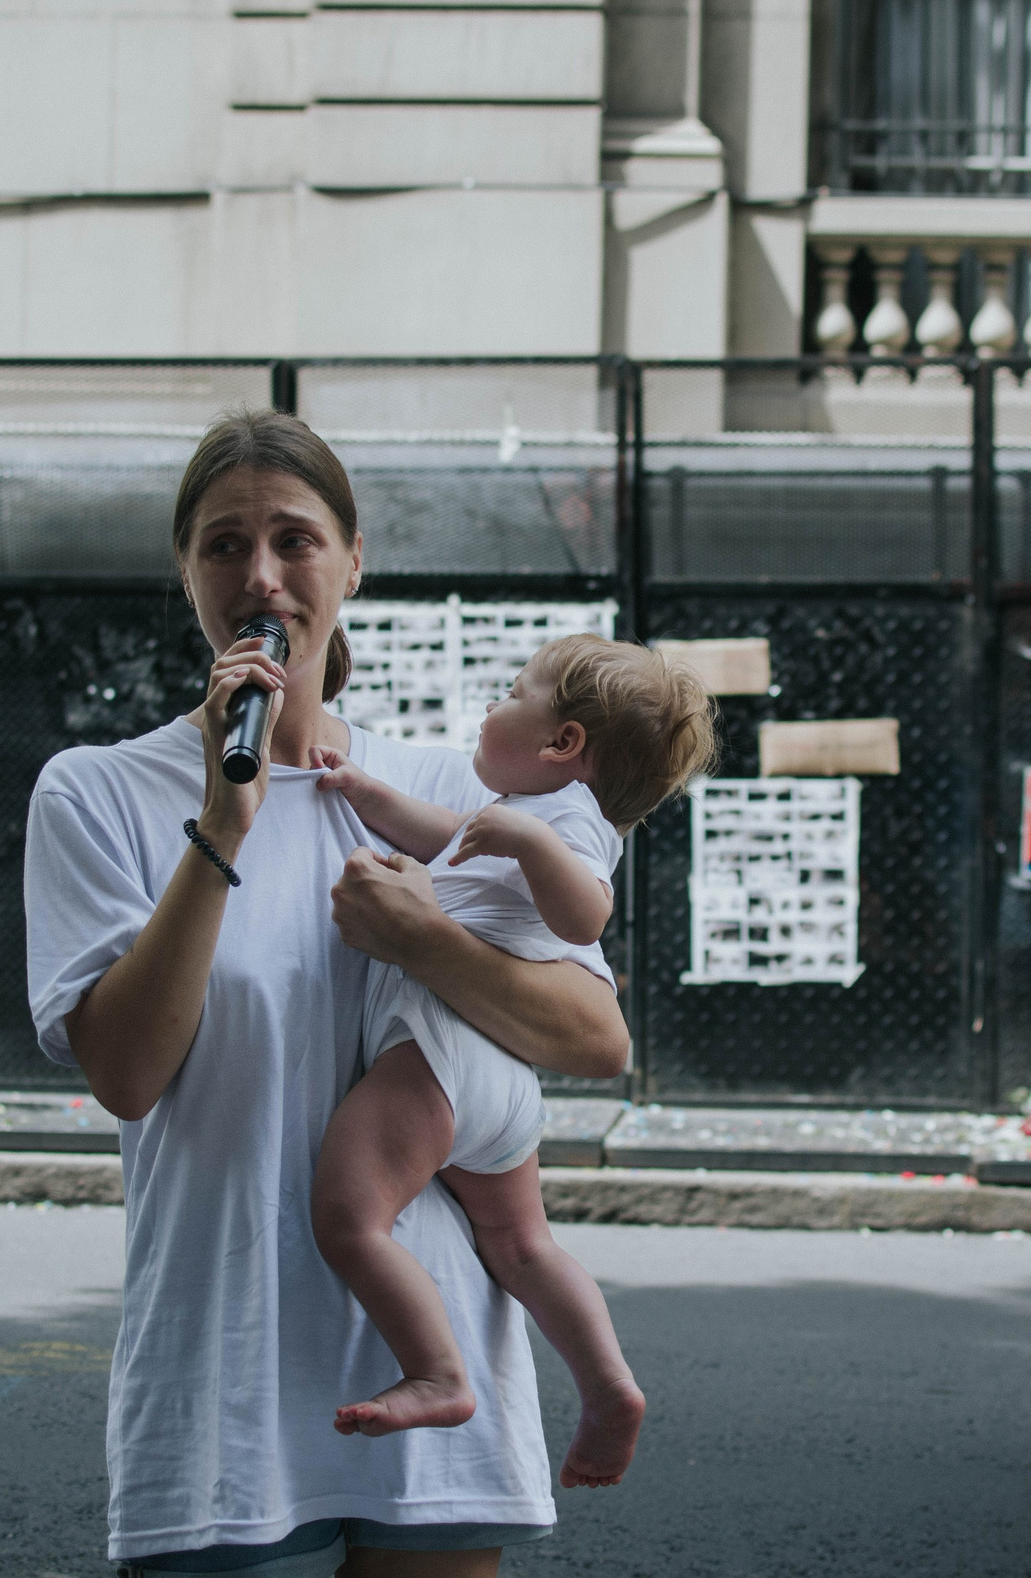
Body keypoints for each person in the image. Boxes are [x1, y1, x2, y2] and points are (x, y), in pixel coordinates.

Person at [24, 411, 630, 1578]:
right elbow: (127, 1071)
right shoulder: (96, 793)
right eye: (222, 546)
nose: (260, 575)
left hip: (439, 1369)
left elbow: (595, 1038)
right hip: (223, 1375)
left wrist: (431, 942)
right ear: (187, 573)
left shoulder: (444, 791)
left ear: (352, 561)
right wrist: (221, 821)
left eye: (295, 540)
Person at [308, 635, 716, 1488]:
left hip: (441, 1053)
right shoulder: (512, 814)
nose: (490, 705)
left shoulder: (567, 820)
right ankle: (607, 1384)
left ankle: (438, 1370)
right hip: (494, 1081)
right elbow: (437, 837)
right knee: (524, 1245)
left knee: (349, 1218)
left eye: (509, 691)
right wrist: (362, 790)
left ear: (562, 743)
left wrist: (528, 844)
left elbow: (587, 915)